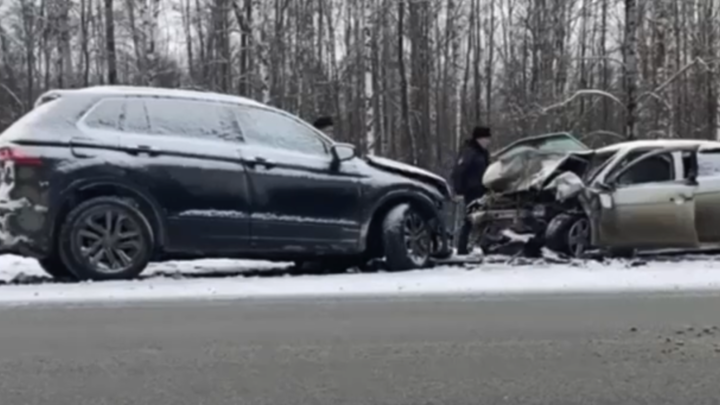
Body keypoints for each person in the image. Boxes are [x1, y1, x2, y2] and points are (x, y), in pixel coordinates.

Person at [451, 125, 492, 255]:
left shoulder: (482, 153)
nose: (488, 141)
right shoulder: (469, 152)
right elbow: (459, 171)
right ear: (479, 139)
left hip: (483, 189)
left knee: (484, 218)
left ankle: (483, 245)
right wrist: (459, 190)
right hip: (471, 190)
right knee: (470, 219)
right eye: (486, 138)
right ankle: (462, 248)